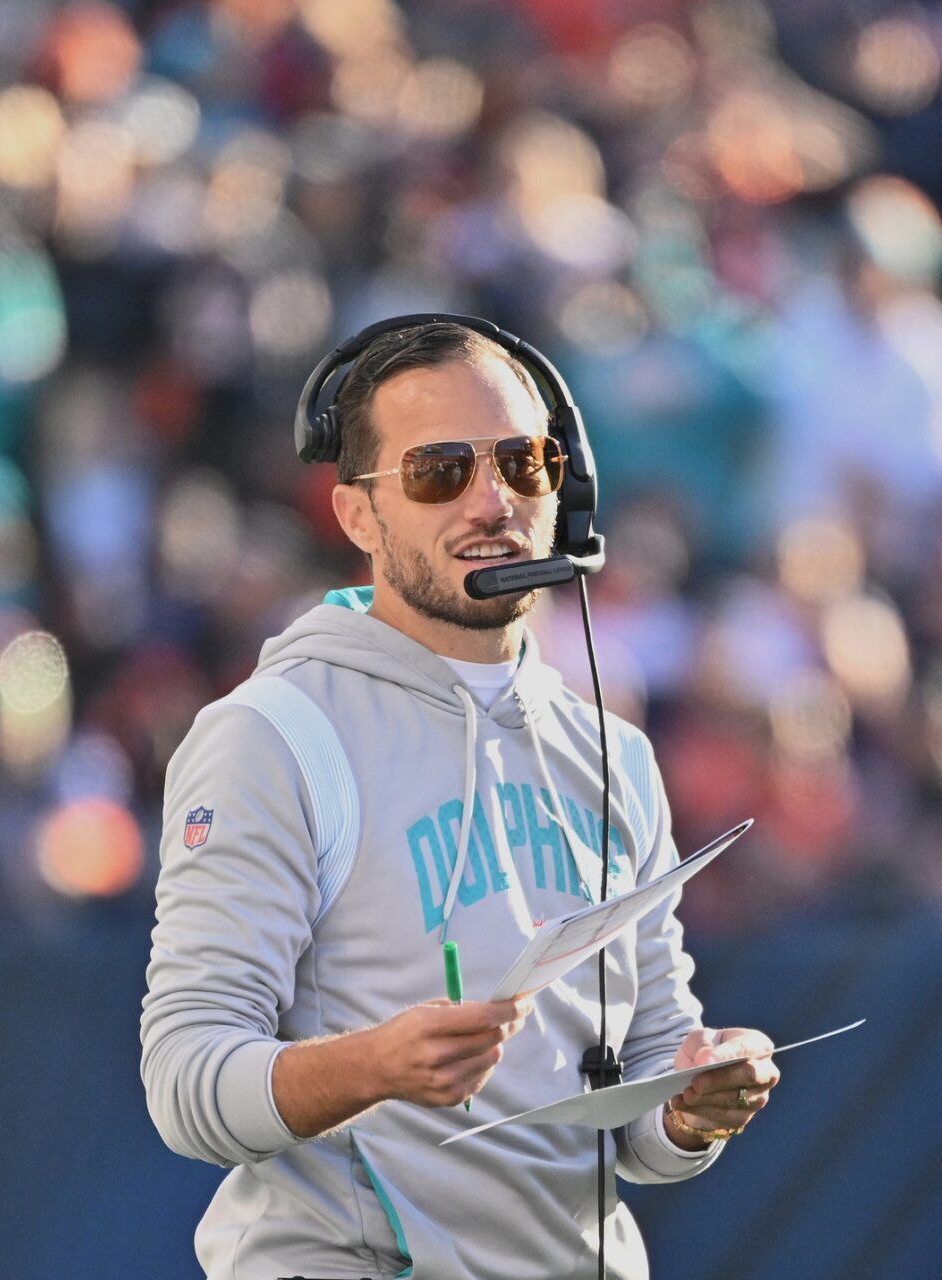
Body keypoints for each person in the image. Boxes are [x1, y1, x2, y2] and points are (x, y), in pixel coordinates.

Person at [139, 319, 781, 1279]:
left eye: (524, 463)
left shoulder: (613, 752)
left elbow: (642, 1096)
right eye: (440, 471)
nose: (494, 501)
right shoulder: (271, 734)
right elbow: (184, 1084)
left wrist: (689, 1105)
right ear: (358, 515)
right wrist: (372, 1067)